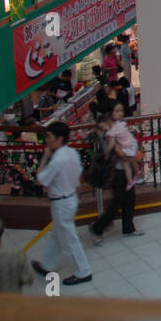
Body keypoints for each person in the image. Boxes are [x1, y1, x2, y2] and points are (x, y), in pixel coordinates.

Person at [30, 122, 93, 286]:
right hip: (70, 198)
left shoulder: (57, 160)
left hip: (61, 203)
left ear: (59, 138)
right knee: (57, 234)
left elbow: (40, 180)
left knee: (68, 239)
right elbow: (78, 175)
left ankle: (83, 272)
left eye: (49, 137)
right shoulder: (72, 153)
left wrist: (44, 157)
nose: (47, 140)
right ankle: (47, 265)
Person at [89, 111, 144, 247]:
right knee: (118, 202)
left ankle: (128, 228)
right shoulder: (108, 135)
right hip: (117, 173)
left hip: (124, 171)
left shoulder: (116, 130)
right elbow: (121, 154)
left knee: (130, 199)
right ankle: (98, 228)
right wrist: (131, 155)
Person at [104, 101, 142, 191]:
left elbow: (113, 144)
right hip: (131, 145)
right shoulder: (121, 124)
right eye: (117, 111)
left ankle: (132, 179)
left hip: (127, 148)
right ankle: (136, 174)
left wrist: (107, 152)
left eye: (121, 111)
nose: (121, 113)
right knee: (129, 162)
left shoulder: (114, 128)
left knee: (126, 162)